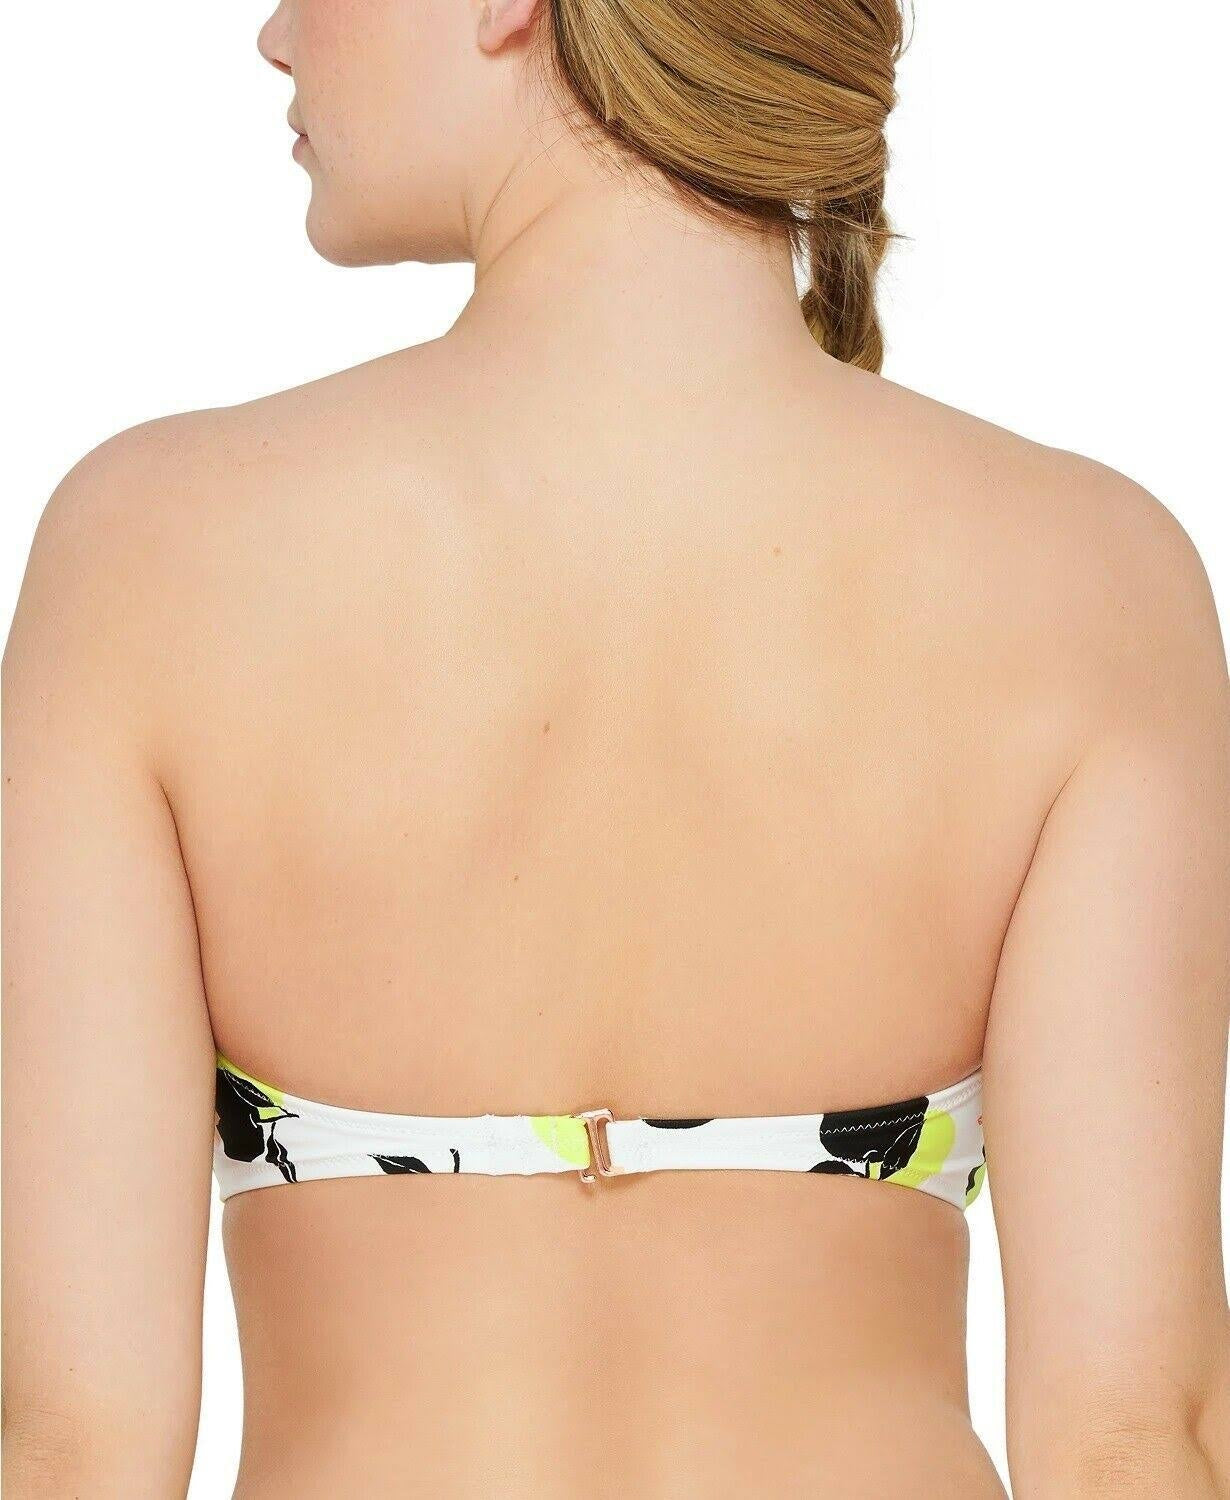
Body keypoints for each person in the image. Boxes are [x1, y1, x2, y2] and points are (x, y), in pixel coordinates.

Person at [4, 0, 1229, 1494]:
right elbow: (1129, 1444)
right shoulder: (1089, 575)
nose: (274, 34)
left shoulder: (153, 551)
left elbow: (72, 1448)